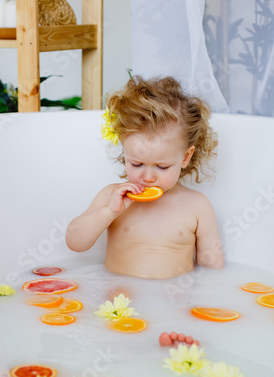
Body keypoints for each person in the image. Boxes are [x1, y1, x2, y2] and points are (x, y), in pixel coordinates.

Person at [66, 76, 224, 279]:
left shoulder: (197, 206)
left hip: (173, 303)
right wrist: (108, 212)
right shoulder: (112, 197)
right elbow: (74, 242)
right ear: (125, 152)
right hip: (120, 305)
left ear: (185, 157)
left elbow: (213, 269)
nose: (148, 177)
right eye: (137, 164)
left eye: (162, 166)